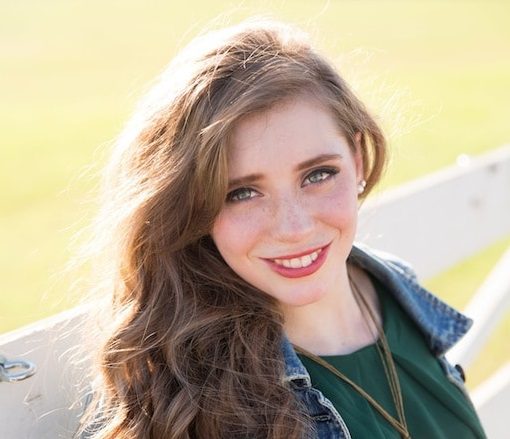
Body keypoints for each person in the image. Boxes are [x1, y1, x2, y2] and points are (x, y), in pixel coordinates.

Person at [77, 19, 487, 439]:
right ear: (193, 206)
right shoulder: (201, 402)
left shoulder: (397, 294)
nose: (293, 227)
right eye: (241, 193)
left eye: (318, 175)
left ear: (358, 161)